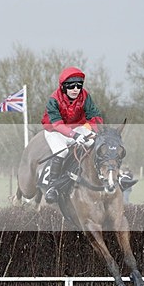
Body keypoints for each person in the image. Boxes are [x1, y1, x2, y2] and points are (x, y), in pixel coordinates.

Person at [41, 67, 103, 203]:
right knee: (61, 152)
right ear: (63, 87)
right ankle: (52, 187)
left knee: (95, 144)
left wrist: (97, 132)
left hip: (77, 127)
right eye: (71, 86)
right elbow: (57, 124)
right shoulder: (53, 100)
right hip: (55, 131)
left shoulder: (85, 96)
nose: (76, 89)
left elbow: (94, 116)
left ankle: (105, 177)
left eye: (79, 86)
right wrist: (74, 136)